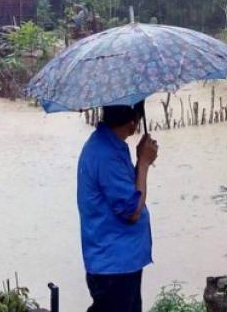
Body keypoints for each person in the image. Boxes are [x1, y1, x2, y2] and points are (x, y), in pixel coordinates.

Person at [77, 101, 158, 312]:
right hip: (114, 263)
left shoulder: (108, 145)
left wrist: (140, 161)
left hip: (119, 258)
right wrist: (144, 164)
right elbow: (132, 210)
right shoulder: (107, 154)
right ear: (133, 123)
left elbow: (122, 192)